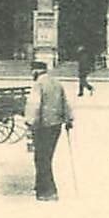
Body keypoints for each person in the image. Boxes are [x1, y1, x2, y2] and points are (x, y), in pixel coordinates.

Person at [23, 60, 74, 202]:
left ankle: (48, 191)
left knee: (41, 158)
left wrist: (30, 122)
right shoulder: (57, 83)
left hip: (43, 126)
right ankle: (40, 186)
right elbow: (65, 103)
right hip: (56, 125)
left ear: (36, 71)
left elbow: (34, 105)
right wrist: (69, 119)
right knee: (47, 156)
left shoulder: (38, 85)